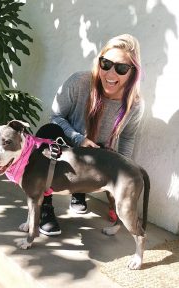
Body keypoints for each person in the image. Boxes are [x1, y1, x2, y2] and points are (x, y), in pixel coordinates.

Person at [36, 33, 144, 236]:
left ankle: (79, 190)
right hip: (69, 142)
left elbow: (128, 138)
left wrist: (123, 173)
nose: (111, 73)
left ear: (133, 72)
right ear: (99, 62)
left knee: (106, 153)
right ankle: (45, 206)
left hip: (97, 154)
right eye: (106, 64)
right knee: (46, 134)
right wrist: (78, 138)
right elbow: (56, 116)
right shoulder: (80, 81)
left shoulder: (135, 104)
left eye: (121, 68)